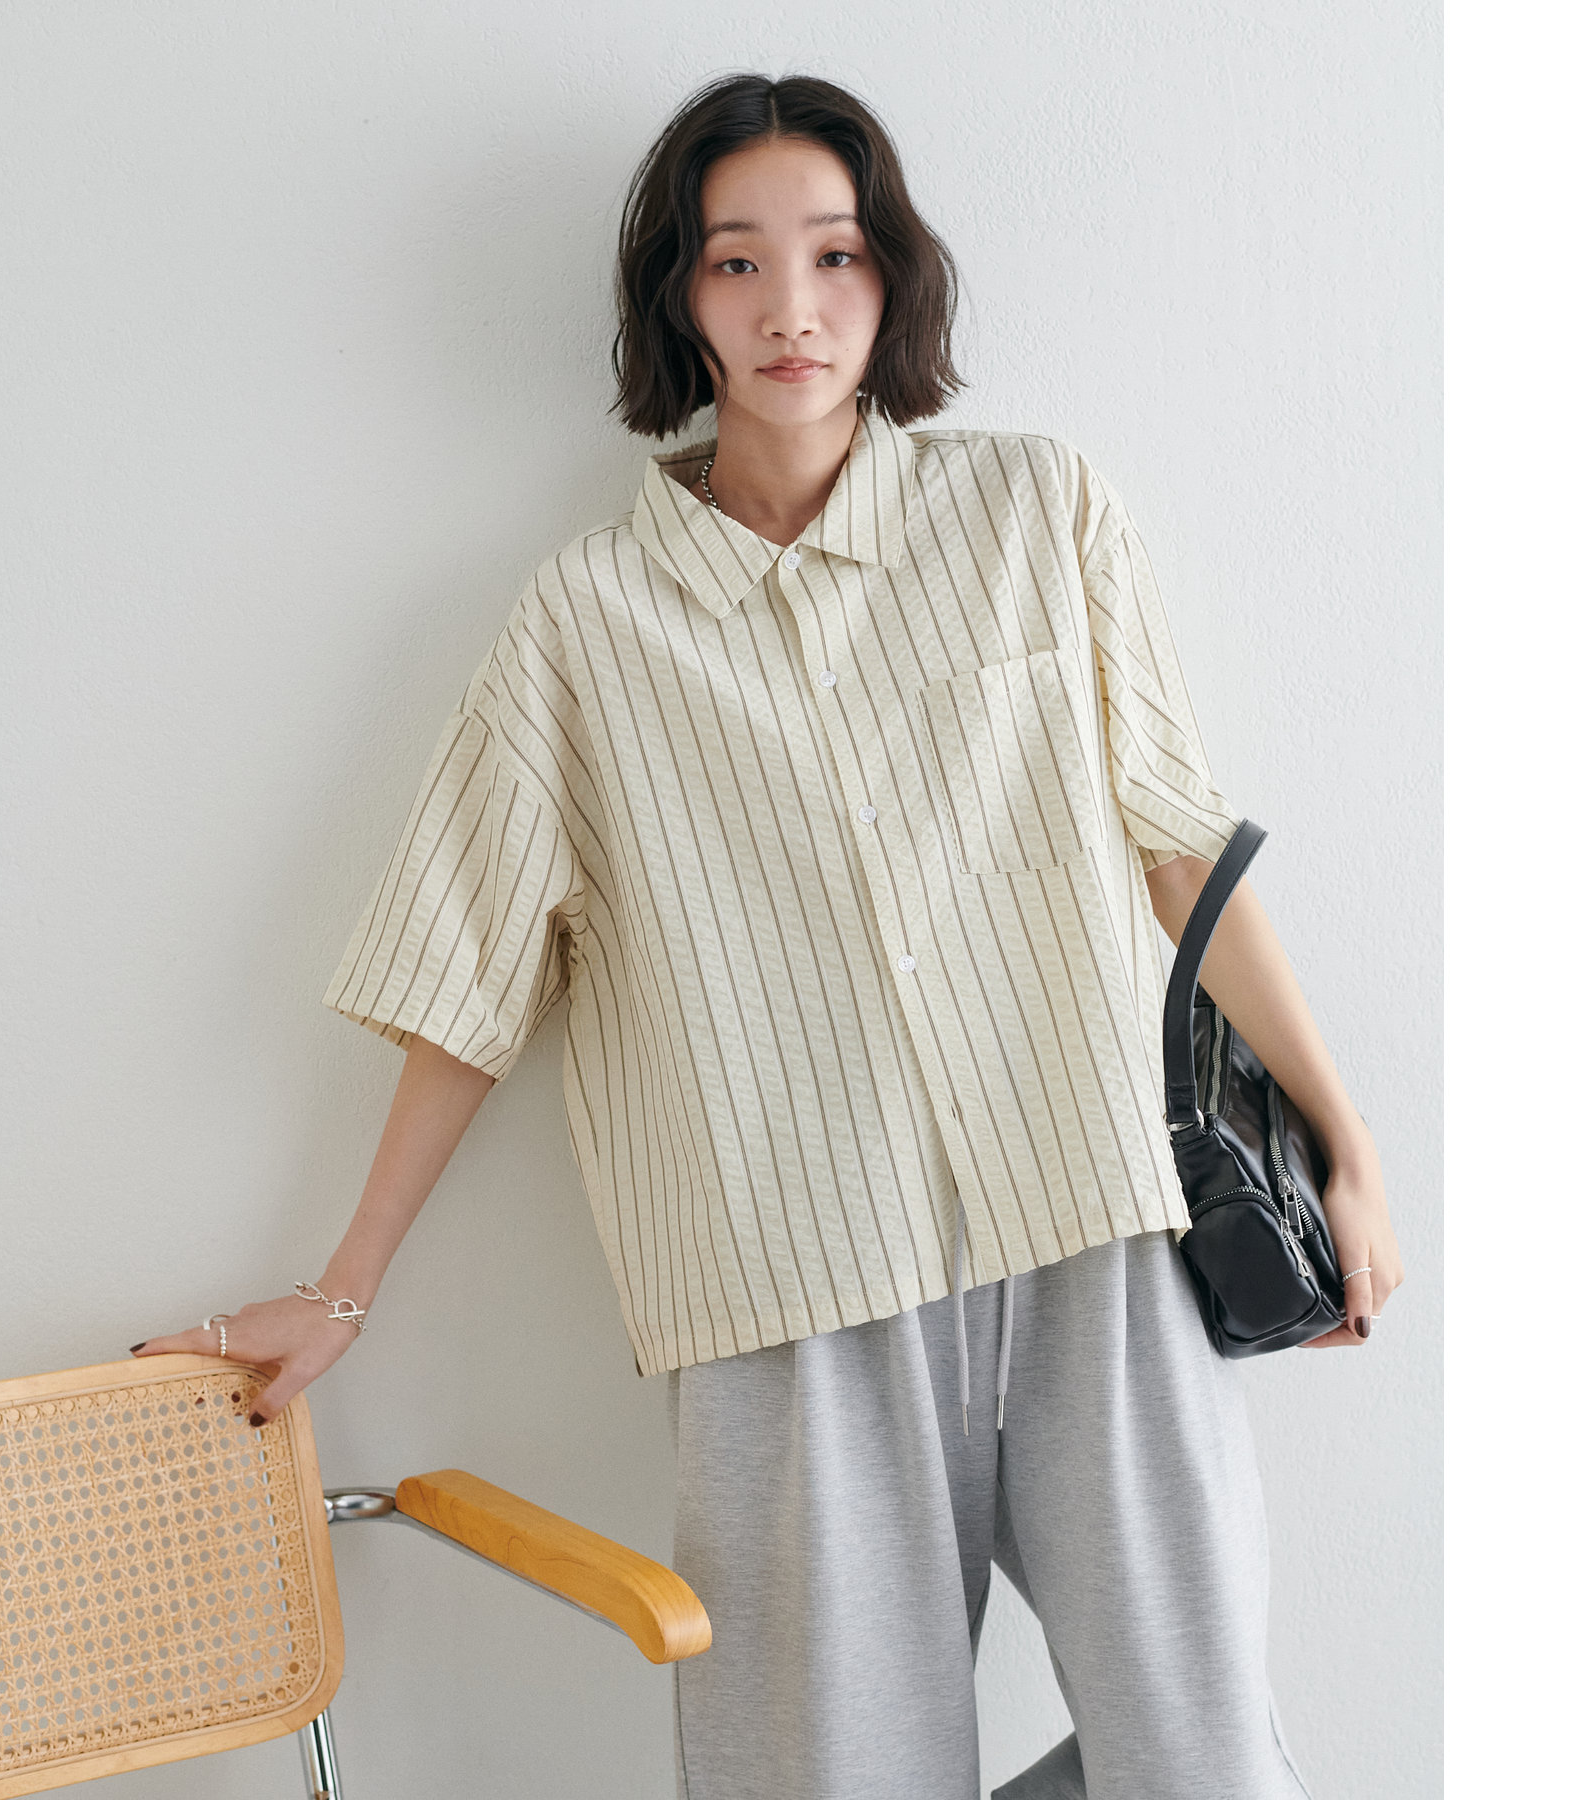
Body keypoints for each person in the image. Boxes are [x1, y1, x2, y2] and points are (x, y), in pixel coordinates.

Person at [132, 72, 1403, 1800]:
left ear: (893, 280)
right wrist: (344, 1287)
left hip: (1096, 1227)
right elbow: (470, 977)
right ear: (681, 297)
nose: (791, 307)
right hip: (790, 1289)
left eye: (836, 255)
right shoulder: (586, 623)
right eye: (737, 261)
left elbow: (1181, 850)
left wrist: (1345, 1145)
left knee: (1204, 1764)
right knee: (828, 1778)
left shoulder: (1037, 511)